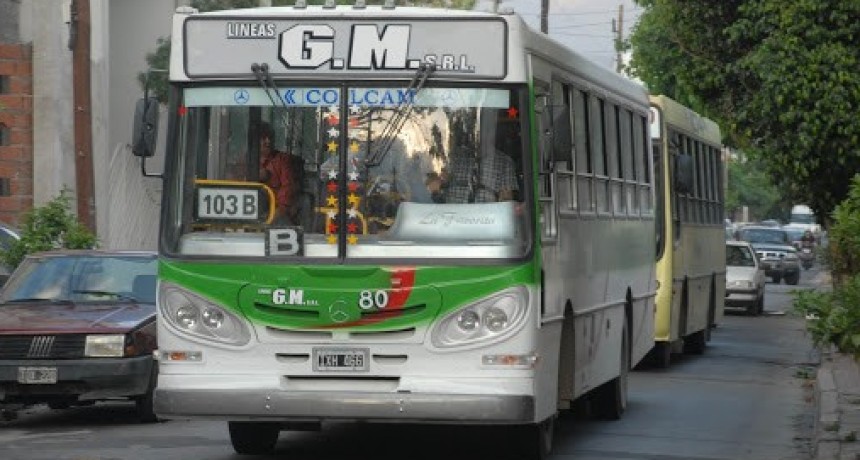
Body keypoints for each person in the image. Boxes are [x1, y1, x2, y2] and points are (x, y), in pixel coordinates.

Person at [257, 122, 305, 225]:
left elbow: (287, 191)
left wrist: (270, 220)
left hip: (277, 217)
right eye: (263, 138)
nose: (268, 141)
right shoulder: (242, 161)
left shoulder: (283, 160)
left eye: (271, 137)